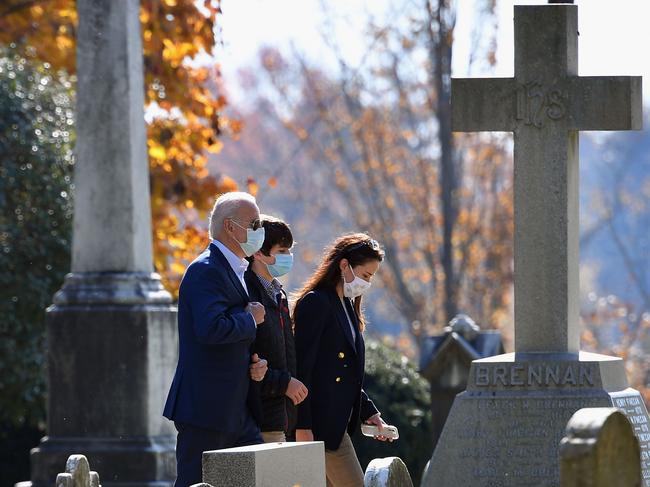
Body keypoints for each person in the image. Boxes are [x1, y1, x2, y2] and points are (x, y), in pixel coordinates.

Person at [163, 191, 270, 487]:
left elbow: (231, 336)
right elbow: (210, 329)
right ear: (230, 227)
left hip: (236, 409)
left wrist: (255, 363)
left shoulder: (235, 270)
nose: (259, 231)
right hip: (206, 409)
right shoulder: (205, 270)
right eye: (254, 223)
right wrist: (250, 320)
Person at [293, 233, 390, 487]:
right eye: (366, 275)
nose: (367, 282)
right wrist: (302, 426)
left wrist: (369, 412)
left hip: (337, 426)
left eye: (371, 277)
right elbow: (303, 369)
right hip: (319, 427)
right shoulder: (316, 302)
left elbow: (346, 374)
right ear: (344, 264)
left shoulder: (346, 305)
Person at [244, 215, 308, 443]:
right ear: (259, 253)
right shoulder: (247, 294)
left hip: (284, 418)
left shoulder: (278, 293)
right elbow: (248, 362)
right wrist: (283, 383)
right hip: (262, 420)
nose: (288, 257)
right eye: (282, 251)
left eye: (289, 251)